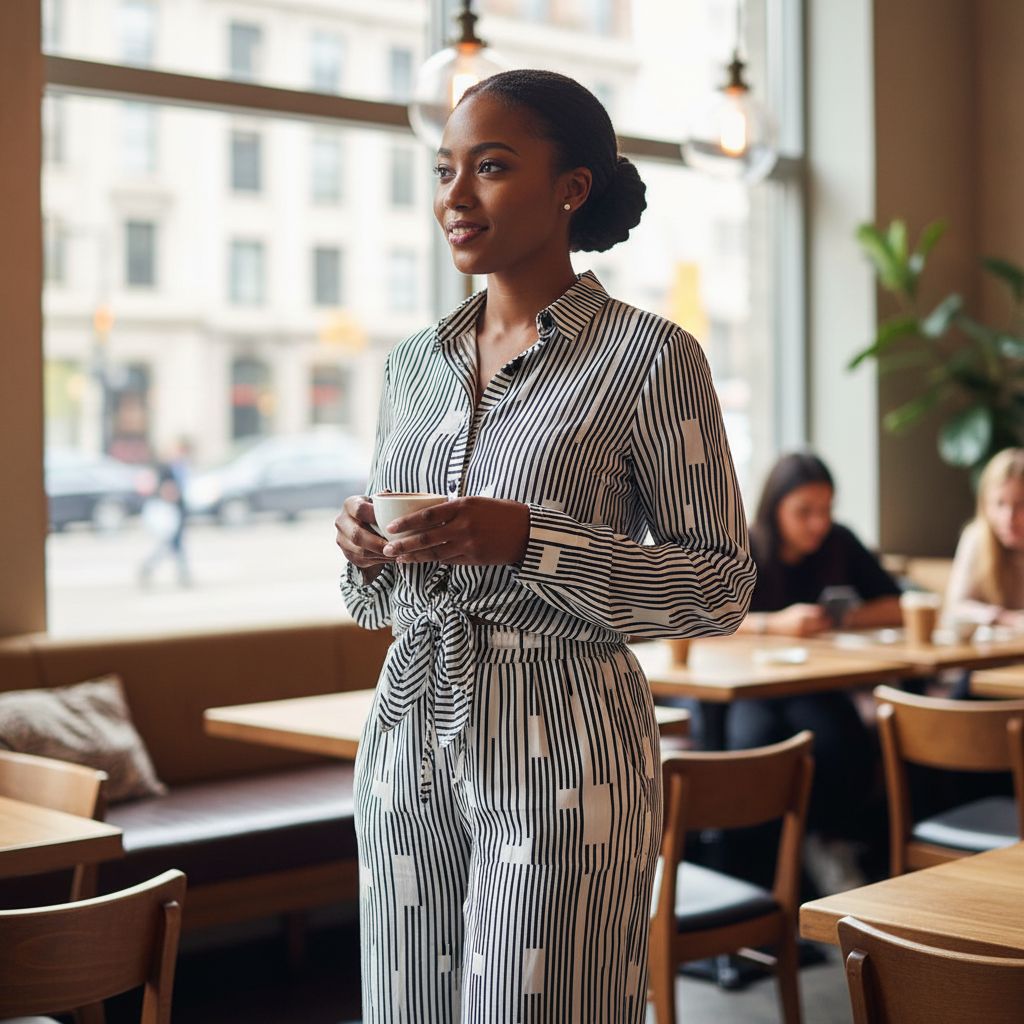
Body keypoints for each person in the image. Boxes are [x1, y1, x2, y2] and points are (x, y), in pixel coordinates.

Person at [333, 70, 755, 1022]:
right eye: (445, 170)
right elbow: (380, 608)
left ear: (572, 188)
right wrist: (365, 553)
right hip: (407, 739)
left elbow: (719, 587)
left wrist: (533, 541)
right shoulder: (413, 365)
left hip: (565, 749)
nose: (454, 196)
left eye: (489, 167)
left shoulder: (649, 357)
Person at [728, 452, 902, 892]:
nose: (817, 524)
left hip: (814, 684)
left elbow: (894, 604)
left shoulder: (839, 543)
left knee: (838, 737)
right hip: (752, 687)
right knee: (754, 743)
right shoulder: (747, 545)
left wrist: (840, 619)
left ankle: (826, 846)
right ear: (775, 508)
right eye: (804, 512)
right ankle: (764, 878)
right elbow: (710, 618)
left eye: (825, 510)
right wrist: (775, 623)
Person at [944, 447, 1024, 629]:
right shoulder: (977, 538)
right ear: (985, 505)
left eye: (1021, 504)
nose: (1009, 518)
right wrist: (1004, 618)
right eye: (999, 504)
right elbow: (954, 607)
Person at [139, 437, 192, 587]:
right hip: (170, 513)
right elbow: (164, 489)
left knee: (174, 545)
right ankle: (151, 567)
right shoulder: (166, 468)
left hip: (178, 511)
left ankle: (181, 574)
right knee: (171, 545)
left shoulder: (183, 466)